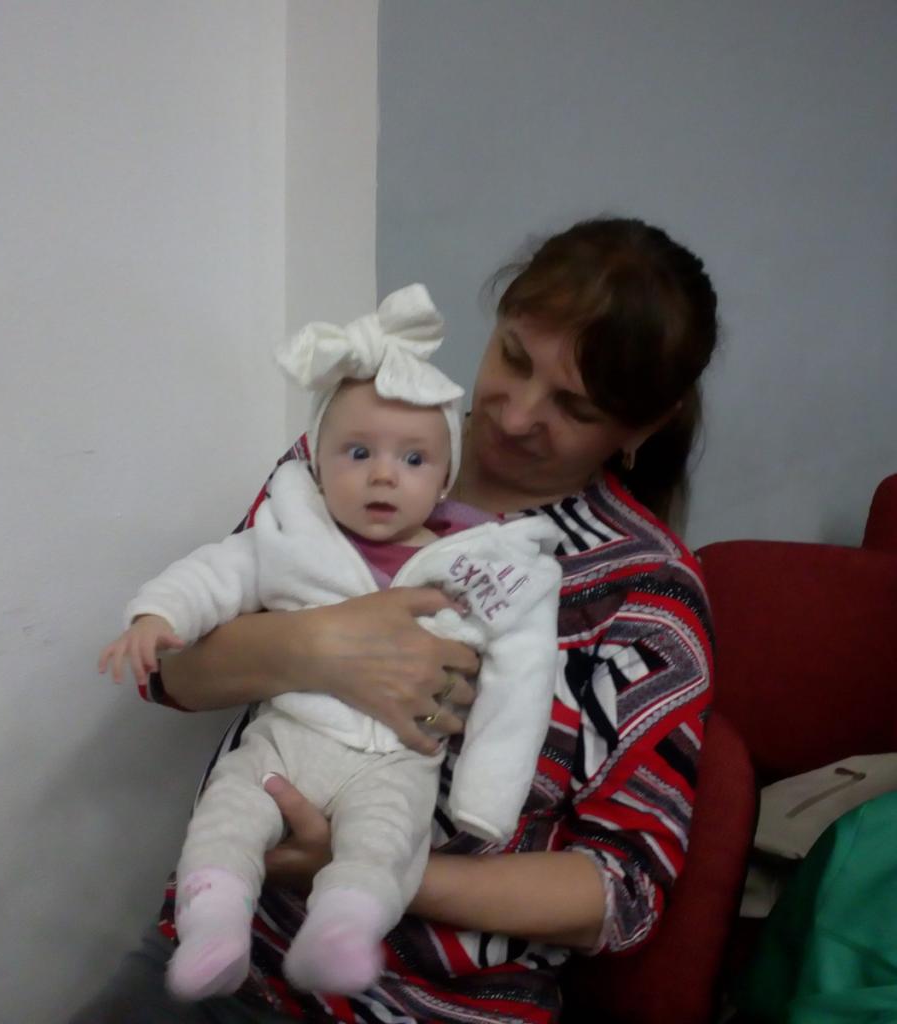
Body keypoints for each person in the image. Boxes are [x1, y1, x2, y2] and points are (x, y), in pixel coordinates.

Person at [72, 217, 718, 1024]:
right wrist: (319, 645)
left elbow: (621, 895)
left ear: (640, 429)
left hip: (433, 1005)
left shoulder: (646, 593)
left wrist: (365, 869)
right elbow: (172, 671)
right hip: (233, 948)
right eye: (514, 358)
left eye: (573, 407)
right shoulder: (359, 446)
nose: (517, 416)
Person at [97, 284, 563, 1000]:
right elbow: (220, 571)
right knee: (227, 813)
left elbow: (520, 683)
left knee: (384, 844)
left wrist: (486, 799)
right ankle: (214, 927)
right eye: (358, 452)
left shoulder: (482, 565)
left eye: (413, 460)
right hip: (287, 739)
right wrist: (158, 615)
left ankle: (340, 933)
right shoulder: (295, 532)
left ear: (444, 477)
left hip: (395, 762)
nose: (383, 474)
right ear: (317, 461)